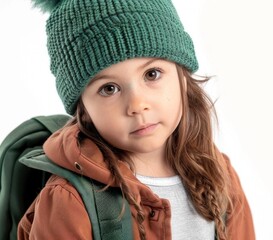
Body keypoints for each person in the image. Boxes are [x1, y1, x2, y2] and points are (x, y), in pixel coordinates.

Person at [17, 0, 255, 239]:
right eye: (109, 88)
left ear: (182, 76)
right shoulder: (69, 201)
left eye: (152, 74)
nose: (137, 105)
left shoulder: (219, 173)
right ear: (84, 110)